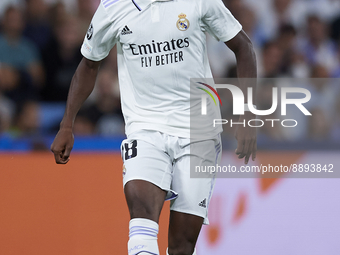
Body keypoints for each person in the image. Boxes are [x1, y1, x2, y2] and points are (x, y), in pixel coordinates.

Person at [51, 0, 257, 254]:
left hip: (199, 129)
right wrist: (67, 124)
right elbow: (89, 64)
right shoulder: (113, 7)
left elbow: (244, 47)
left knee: (182, 244)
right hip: (145, 127)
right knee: (141, 215)